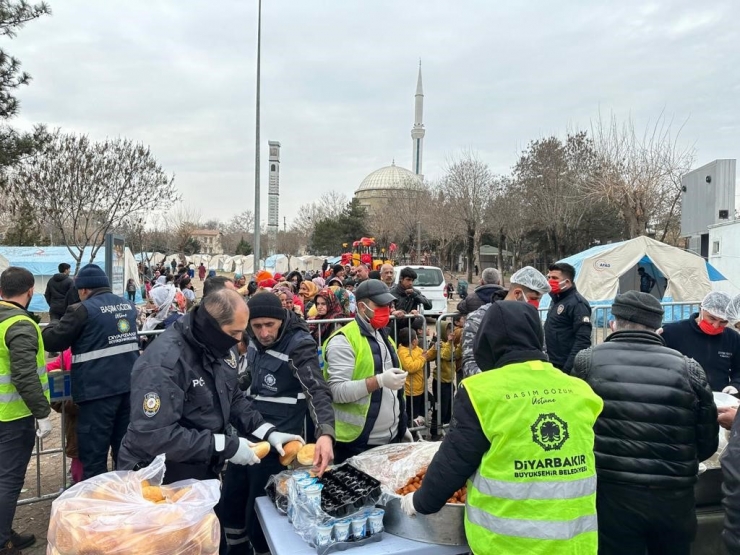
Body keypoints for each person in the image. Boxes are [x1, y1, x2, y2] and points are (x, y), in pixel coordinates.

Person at [400, 301, 603, 555]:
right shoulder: (579, 389)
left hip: (507, 543)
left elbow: (454, 461)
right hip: (575, 543)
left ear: (485, 342)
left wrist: (421, 501)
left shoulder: (481, 391)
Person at [118, 289, 301, 555]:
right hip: (162, 481)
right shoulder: (164, 363)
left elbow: (233, 397)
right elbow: (155, 436)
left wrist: (267, 431)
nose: (241, 340)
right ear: (214, 327)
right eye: (235, 333)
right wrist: (225, 446)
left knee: (210, 543)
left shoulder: (217, 348)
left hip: (200, 473)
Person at [572, 291, 719, 555]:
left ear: (613, 323)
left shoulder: (587, 362)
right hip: (674, 498)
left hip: (611, 494)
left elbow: (576, 428)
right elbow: (707, 444)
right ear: (658, 328)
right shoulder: (689, 369)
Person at [221, 292, 335, 554]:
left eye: (269, 325)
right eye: (257, 326)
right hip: (247, 439)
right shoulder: (252, 342)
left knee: (259, 517)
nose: (263, 332)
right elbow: (252, 374)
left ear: (281, 320)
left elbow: (317, 390)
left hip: (279, 448)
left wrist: (325, 434)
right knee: (231, 506)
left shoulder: (299, 345)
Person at [42, 264, 139, 479]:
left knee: (93, 457)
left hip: (96, 394)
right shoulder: (128, 306)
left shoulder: (81, 310)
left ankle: (98, 505)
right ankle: (126, 503)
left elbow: (53, 340)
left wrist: (53, 322)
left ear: (84, 290)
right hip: (128, 390)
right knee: (126, 454)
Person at [323, 279, 409, 462]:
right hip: (357, 444)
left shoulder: (383, 336)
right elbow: (336, 391)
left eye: (388, 305)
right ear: (362, 307)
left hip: (390, 440)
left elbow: (393, 394)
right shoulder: (343, 341)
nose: (386, 310)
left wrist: (402, 425)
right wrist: (378, 381)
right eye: (380, 305)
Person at [0, 267, 51, 554]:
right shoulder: (19, 324)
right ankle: (3, 541)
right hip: (13, 417)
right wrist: (42, 413)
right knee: (8, 480)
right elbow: (24, 375)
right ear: (31, 290)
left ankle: (5, 531)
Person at [461, 266, 549, 378]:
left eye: (539, 299)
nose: (537, 304)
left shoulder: (533, 319)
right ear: (517, 294)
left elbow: (543, 354)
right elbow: (470, 363)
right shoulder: (478, 318)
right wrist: (503, 383)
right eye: (534, 299)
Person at [662, 291, 740, 393]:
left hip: (719, 399)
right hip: (681, 397)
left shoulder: (732, 338)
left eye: (723, 322)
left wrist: (735, 385)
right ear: (701, 309)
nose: (715, 325)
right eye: (712, 318)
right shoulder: (672, 332)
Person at [544, 262, 592, 373]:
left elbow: (582, 341)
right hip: (553, 363)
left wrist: (568, 369)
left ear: (567, 282)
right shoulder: (556, 299)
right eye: (549, 277)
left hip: (565, 366)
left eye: (554, 278)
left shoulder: (578, 304)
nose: (550, 281)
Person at [427, 321, 461, 434]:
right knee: (440, 407)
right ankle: (435, 431)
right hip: (440, 381)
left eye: (451, 331)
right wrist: (450, 342)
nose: (450, 333)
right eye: (447, 331)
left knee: (449, 407)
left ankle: (446, 429)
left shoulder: (450, 344)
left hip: (449, 381)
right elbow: (445, 356)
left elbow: (455, 355)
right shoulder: (440, 344)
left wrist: (461, 345)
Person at [397, 328, 433, 425]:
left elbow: (426, 354)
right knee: (412, 414)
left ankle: (418, 425)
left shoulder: (416, 349)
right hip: (411, 391)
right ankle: (411, 431)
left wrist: (434, 347)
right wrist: (422, 358)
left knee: (430, 403)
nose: (418, 339)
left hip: (420, 387)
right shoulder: (402, 352)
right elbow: (411, 367)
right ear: (413, 341)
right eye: (416, 337)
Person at [389, 267, 432, 335]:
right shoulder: (392, 293)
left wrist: (414, 295)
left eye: (412, 280)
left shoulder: (415, 292)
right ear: (401, 279)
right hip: (394, 330)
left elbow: (429, 305)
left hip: (410, 330)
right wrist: (394, 312)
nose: (410, 283)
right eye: (408, 280)